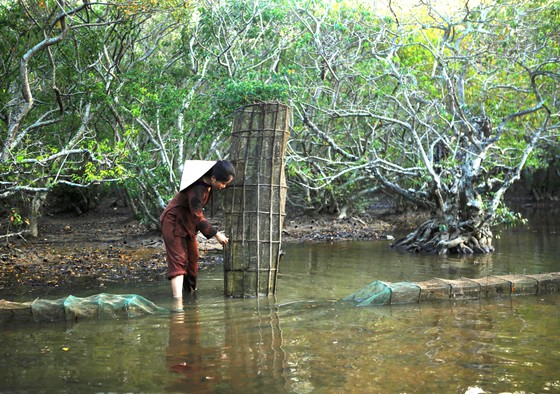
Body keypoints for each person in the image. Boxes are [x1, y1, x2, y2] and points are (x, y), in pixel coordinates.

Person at [160, 160, 235, 300]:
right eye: (223, 183)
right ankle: (178, 303)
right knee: (179, 259)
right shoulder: (197, 189)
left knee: (193, 259)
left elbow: (195, 217)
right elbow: (198, 217)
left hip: (187, 224)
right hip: (173, 221)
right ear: (213, 178)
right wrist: (216, 234)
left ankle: (191, 296)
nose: (224, 187)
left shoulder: (208, 185)